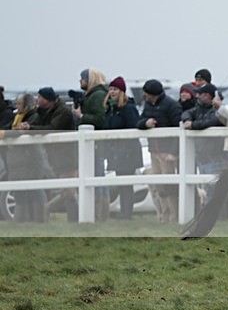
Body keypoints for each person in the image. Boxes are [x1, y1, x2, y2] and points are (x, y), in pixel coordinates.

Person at [20, 87, 78, 221]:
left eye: (40, 97)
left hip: (68, 157)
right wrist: (27, 126)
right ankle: (70, 218)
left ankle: (67, 217)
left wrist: (31, 128)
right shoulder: (44, 111)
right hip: (57, 157)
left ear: (47, 99)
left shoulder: (63, 112)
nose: (37, 99)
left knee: (68, 191)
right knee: (65, 190)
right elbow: (37, 123)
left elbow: (52, 128)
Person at [137, 79, 182, 223]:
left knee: (169, 185)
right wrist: (146, 123)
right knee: (159, 186)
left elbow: (178, 130)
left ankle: (174, 216)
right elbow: (138, 122)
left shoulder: (171, 105)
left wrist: (173, 152)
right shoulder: (148, 105)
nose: (144, 95)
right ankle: (164, 217)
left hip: (166, 152)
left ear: (152, 93)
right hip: (154, 150)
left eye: (147, 93)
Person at [5, 93, 50, 222]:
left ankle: (40, 222)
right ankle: (21, 225)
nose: (16, 106)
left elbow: (21, 133)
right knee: (20, 195)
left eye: (19, 103)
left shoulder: (34, 117)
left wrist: (5, 134)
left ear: (26, 105)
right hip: (18, 163)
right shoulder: (17, 118)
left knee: (36, 192)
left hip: (30, 161)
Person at [104, 76, 143, 220]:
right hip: (115, 151)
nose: (112, 92)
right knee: (121, 183)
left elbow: (134, 127)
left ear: (122, 91)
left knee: (126, 184)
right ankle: (124, 212)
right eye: (111, 89)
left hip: (128, 152)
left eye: (115, 89)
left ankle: (127, 213)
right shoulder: (110, 108)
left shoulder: (128, 108)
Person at [181, 82, 226, 207]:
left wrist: (193, 125)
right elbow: (186, 113)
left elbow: (212, 121)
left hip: (215, 155)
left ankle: (219, 214)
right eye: (201, 94)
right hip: (202, 155)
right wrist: (187, 120)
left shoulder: (218, 111)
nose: (201, 97)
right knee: (206, 187)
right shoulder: (197, 109)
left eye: (204, 94)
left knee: (215, 187)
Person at [74, 67, 110, 221]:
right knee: (94, 176)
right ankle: (96, 213)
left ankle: (100, 213)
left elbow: (100, 119)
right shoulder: (91, 95)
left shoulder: (97, 96)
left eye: (82, 78)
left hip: (96, 145)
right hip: (92, 145)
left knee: (98, 177)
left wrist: (81, 116)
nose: (80, 81)